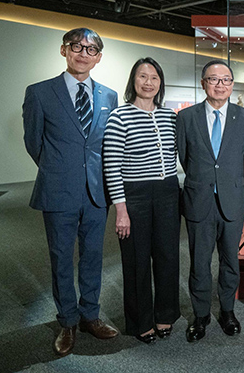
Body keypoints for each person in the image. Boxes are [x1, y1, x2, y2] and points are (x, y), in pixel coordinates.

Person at [22, 28, 119, 357]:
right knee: (61, 259)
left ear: (98, 58)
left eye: (91, 49)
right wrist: (58, 169)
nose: (83, 53)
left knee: (93, 257)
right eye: (76, 46)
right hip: (58, 190)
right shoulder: (40, 92)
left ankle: (90, 315)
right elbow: (33, 142)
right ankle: (67, 320)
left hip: (96, 192)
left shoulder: (109, 96)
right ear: (64, 50)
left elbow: (108, 144)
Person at [102, 58, 180, 344]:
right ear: (133, 81)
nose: (149, 82)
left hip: (168, 193)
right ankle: (141, 321)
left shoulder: (170, 116)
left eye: (154, 77)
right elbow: (111, 167)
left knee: (168, 257)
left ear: (160, 83)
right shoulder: (119, 117)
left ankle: (165, 314)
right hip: (134, 195)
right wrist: (121, 210)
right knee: (136, 260)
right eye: (142, 76)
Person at [177, 59, 244, 342]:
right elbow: (185, 157)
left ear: (232, 85)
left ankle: (227, 311)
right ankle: (201, 315)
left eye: (226, 80)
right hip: (199, 200)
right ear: (203, 83)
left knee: (230, 261)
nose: (220, 85)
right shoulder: (186, 117)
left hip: (232, 201)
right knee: (199, 263)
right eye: (214, 79)